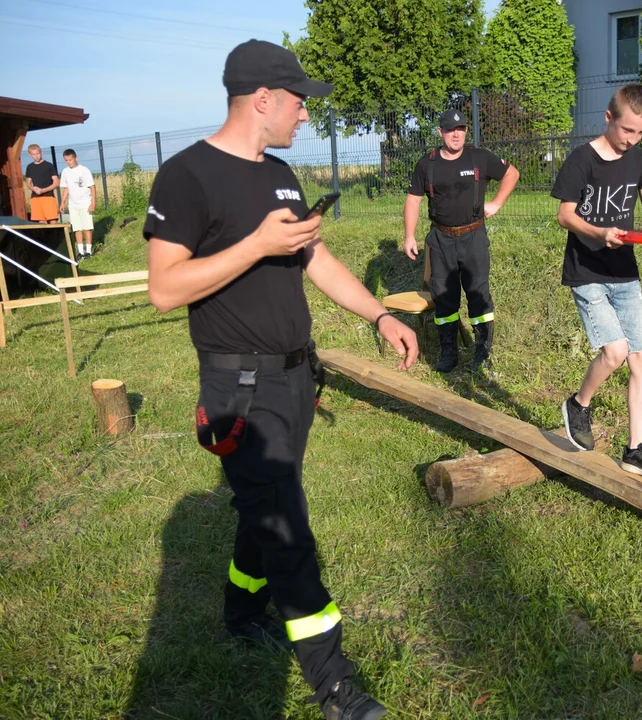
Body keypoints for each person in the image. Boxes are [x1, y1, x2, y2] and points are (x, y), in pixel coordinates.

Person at [144, 39, 417, 720]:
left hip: (297, 380)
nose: (306, 115)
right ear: (262, 99)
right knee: (288, 532)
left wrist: (379, 314)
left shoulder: (283, 175)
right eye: (299, 102)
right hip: (238, 388)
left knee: (264, 506)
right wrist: (255, 245)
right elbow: (163, 289)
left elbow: (315, 261)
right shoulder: (186, 177)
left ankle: (241, 614)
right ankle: (336, 688)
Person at [551, 84, 642, 480]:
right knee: (616, 352)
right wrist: (598, 232)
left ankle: (635, 449)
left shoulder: (640, 161)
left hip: (625, 273)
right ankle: (578, 404)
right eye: (627, 131)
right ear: (609, 118)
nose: (632, 140)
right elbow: (565, 216)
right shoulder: (581, 161)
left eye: (641, 133)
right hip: (587, 272)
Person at [403, 108, 520, 372]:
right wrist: (409, 235)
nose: (456, 134)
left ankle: (482, 351)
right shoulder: (427, 164)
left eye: (461, 129)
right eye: (450, 129)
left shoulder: (480, 158)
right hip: (441, 238)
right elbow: (413, 200)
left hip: (474, 237)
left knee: (478, 293)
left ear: (466, 131)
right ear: (440, 132)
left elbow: (512, 174)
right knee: (444, 297)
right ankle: (448, 352)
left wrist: (497, 203)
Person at [59, 149, 96, 258]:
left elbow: (92, 187)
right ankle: (80, 251)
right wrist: (62, 202)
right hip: (73, 203)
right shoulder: (65, 172)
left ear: (76, 158)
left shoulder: (84, 170)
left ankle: (88, 251)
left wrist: (93, 202)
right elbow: (66, 188)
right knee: (77, 227)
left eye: (70, 160)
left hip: (85, 202)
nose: (68, 162)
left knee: (87, 227)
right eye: (66, 160)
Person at [24, 144, 59, 223]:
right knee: (41, 223)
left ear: (41, 152)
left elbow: (56, 183)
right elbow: (28, 183)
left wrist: (43, 190)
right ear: (30, 155)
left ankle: (55, 235)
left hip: (48, 197)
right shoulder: (29, 167)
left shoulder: (49, 165)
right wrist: (33, 188)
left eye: (37, 153)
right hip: (35, 198)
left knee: (53, 221)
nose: (36, 156)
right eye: (33, 154)